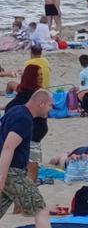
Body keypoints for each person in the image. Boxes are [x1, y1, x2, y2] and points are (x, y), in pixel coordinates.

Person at [0, 89, 73, 228]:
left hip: (10, 172)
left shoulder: (15, 110)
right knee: (41, 209)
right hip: (13, 174)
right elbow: (8, 147)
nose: (50, 109)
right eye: (49, 105)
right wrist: (2, 177)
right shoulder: (24, 119)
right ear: (41, 104)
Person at [4, 65, 47, 198]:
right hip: (30, 140)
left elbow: (10, 106)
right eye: (38, 75)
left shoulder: (24, 94)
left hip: (27, 140)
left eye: (41, 75)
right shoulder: (33, 97)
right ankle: (23, 206)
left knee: (22, 174)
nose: (41, 78)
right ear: (31, 78)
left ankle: (19, 207)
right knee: (30, 173)